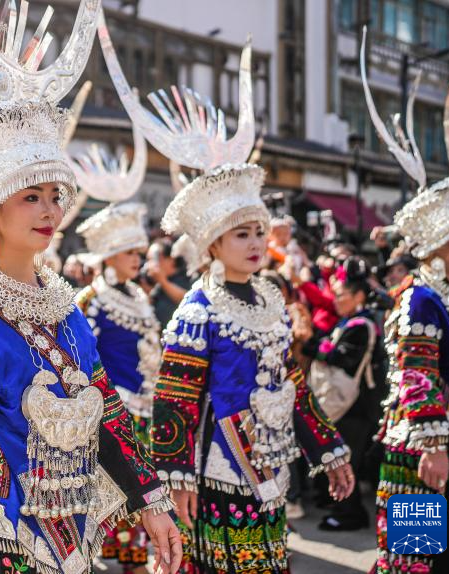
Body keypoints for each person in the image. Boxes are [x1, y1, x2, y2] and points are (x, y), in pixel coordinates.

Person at [0, 3, 181, 573]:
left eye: (56, 195)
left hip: (71, 535)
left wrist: (150, 499)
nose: (50, 209)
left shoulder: (64, 303)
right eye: (31, 196)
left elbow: (103, 407)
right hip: (2, 541)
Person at [99, 26, 354, 573]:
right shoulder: (199, 309)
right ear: (213, 243)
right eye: (243, 234)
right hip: (218, 472)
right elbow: (177, 403)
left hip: (269, 469)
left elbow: (291, 382)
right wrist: (176, 477)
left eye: (260, 232)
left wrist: (325, 448)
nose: (258, 242)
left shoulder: (269, 298)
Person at [361, 55, 449, 573]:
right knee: (415, 559)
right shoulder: (420, 296)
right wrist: (431, 445)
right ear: (436, 243)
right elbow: (414, 375)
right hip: (419, 453)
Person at [76, 202, 162, 573]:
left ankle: (132, 557)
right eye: (130, 253)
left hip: (143, 407)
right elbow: (79, 361)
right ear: (109, 255)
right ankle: (120, 557)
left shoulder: (140, 296)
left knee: (138, 484)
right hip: (109, 411)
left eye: (139, 253)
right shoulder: (89, 300)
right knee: (108, 485)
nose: (137, 260)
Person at [303, 258, 385, 531]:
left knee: (346, 458)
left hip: (357, 406)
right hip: (350, 405)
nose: (336, 300)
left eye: (342, 295)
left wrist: (314, 346)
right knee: (341, 457)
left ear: (359, 295)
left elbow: (343, 358)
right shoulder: (352, 322)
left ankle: (351, 514)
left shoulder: (362, 324)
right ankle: (346, 510)